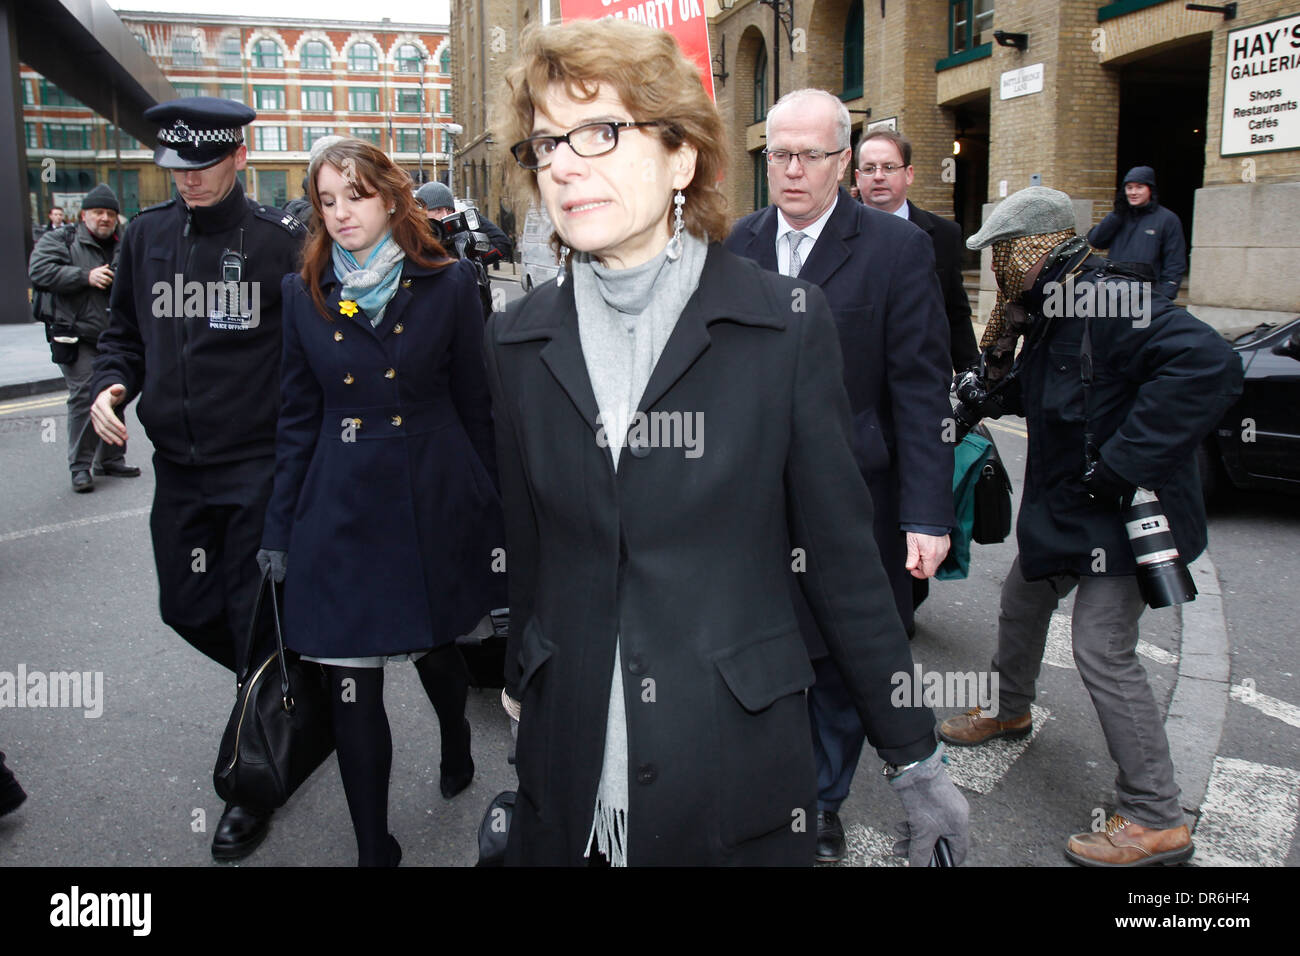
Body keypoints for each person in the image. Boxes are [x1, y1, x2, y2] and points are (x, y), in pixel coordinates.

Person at [489, 18, 968, 867]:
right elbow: (529, 546)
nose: (563, 163)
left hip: (731, 759)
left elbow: (842, 560)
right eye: (545, 144)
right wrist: (527, 678)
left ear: (682, 157)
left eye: (599, 131)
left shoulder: (779, 327)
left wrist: (913, 754)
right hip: (566, 765)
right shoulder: (518, 340)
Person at [939, 186, 1242, 866]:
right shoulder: (1051, 303)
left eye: (1004, 253)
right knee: (1021, 602)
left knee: (1101, 650)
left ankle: (1155, 816)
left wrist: (1127, 459)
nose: (997, 269)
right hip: (1068, 510)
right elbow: (1057, 385)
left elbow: (1209, 363)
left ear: (1036, 247)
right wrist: (987, 394)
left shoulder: (1103, 295)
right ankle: (1009, 707)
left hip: (1120, 519)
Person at [257, 136, 505, 866]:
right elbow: (297, 415)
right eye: (326, 201)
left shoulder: (449, 283)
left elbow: (477, 406)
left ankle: (456, 735)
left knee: (433, 643)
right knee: (349, 678)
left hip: (429, 489)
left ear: (393, 197)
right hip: (339, 503)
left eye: (355, 195)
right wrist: (279, 527)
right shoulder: (301, 293)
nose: (339, 214)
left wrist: (496, 514)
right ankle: (375, 849)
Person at [725, 89, 955, 863]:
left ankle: (821, 802)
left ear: (844, 162)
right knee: (767, 651)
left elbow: (921, 390)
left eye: (809, 156)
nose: (790, 171)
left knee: (842, 660)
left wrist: (927, 514)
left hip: (855, 500)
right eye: (777, 155)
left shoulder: (895, 251)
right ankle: (774, 790)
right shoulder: (735, 244)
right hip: (753, 506)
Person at [89, 96, 307, 861]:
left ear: (240, 157)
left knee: (252, 618)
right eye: (176, 169)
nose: (188, 181)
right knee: (184, 607)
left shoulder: (280, 245)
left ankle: (252, 785)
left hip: (258, 470)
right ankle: (288, 685)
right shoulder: (145, 238)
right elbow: (122, 338)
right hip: (178, 470)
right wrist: (109, 387)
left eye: (204, 166)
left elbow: (313, 357)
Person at [28, 183, 139, 493]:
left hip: (113, 335)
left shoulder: (124, 242)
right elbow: (38, 272)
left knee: (115, 391)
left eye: (110, 213)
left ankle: (112, 458)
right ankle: (80, 466)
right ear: (84, 215)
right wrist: (84, 276)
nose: (104, 218)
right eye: (98, 212)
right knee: (84, 396)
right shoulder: (60, 239)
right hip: (74, 336)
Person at [855, 128, 979, 372]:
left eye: (889, 167)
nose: (878, 176)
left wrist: (970, 373)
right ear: (858, 178)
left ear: (908, 174)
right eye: (869, 169)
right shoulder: (831, 233)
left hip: (921, 378)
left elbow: (954, 312)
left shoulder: (943, 235)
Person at [1086, 165, 1186, 301]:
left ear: (1150, 189)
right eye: (1129, 187)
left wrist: (1166, 294)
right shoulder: (1119, 216)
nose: (1133, 192)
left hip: (1148, 294)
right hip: (1114, 290)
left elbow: (1175, 261)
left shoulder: (1167, 219)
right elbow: (1095, 240)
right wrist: (1116, 215)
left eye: (1139, 187)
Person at [414, 181, 513, 265]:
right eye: (438, 210)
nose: (444, 214)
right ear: (420, 213)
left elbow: (502, 245)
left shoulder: (462, 244)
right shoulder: (410, 245)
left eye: (449, 209)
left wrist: (471, 217)